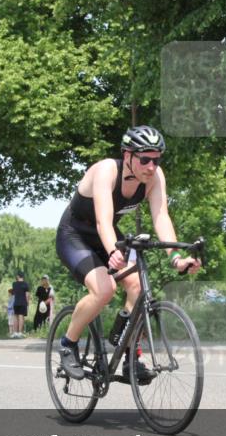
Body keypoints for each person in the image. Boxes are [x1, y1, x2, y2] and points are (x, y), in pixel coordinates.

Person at [55, 125, 201, 381]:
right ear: (128, 155)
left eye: (156, 160)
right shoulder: (105, 171)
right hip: (75, 234)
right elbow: (103, 221)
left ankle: (129, 355)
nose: (151, 166)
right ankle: (68, 344)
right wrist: (113, 251)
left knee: (137, 286)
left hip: (108, 233)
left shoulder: (155, 178)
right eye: (145, 159)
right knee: (104, 289)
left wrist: (176, 258)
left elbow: (161, 217)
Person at [10, 272, 30, 339]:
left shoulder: (14, 284)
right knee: (21, 316)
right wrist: (27, 303)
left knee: (15, 317)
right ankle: (20, 333)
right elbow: (27, 295)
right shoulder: (26, 284)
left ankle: (15, 332)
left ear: (18, 276)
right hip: (23, 302)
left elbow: (14, 292)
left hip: (16, 303)